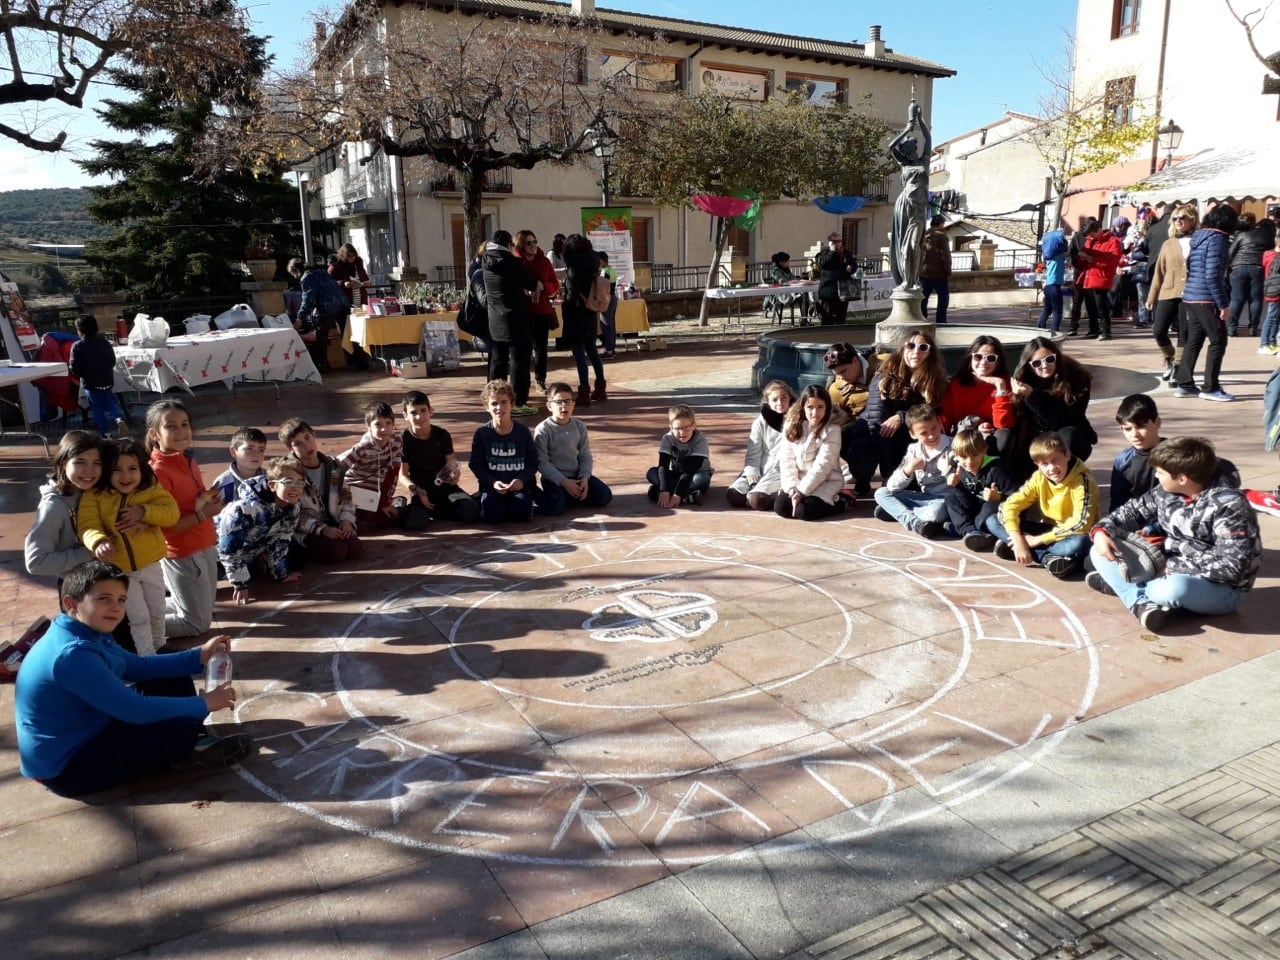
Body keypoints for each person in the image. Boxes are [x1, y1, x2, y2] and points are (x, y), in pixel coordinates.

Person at [15, 560, 250, 798]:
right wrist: (204, 703)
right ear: (71, 603)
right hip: (69, 766)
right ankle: (189, 748)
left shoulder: (85, 629)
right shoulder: (72, 654)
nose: (115, 608)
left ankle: (193, 739)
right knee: (179, 729)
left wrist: (199, 655)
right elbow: (136, 710)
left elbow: (137, 667)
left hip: (89, 727)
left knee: (173, 679)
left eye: (121, 599)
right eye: (104, 598)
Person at [1087, 437, 1262, 632]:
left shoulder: (1230, 506)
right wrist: (1101, 531)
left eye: (1160, 472)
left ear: (1182, 478)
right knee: (1099, 551)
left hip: (1220, 587)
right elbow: (1131, 512)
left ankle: (1128, 589)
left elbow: (1233, 566)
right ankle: (1141, 602)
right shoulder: (1165, 491)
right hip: (1166, 568)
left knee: (1173, 589)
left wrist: (1172, 567)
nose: (1156, 476)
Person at [78, 438, 179, 657]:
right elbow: (87, 525)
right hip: (121, 571)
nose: (125, 476)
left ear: (142, 468)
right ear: (107, 470)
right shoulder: (95, 496)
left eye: (132, 468)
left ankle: (160, 645)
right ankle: (147, 656)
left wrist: (145, 513)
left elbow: (172, 513)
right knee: (138, 616)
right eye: (117, 470)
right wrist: (98, 541)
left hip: (151, 564)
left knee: (158, 609)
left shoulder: (150, 489)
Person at [147, 400, 223, 639]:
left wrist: (207, 497)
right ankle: (127, 629)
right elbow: (164, 528)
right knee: (196, 624)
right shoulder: (158, 472)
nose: (181, 431)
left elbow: (189, 501)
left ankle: (139, 612)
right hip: (183, 552)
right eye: (171, 426)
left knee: (203, 609)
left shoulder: (186, 458)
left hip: (204, 542)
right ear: (154, 434)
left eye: (185, 424)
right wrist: (203, 514)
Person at [990, 431, 1098, 579]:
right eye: (1045, 464)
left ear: (1067, 455)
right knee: (993, 521)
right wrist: (1017, 539)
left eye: (1055, 460)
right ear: (1037, 465)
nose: (1051, 468)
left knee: (1079, 543)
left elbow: (1081, 524)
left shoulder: (1083, 481)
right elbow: (1010, 506)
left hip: (1072, 534)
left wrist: (1037, 540)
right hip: (1049, 529)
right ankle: (1048, 558)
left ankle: (1031, 551)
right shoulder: (1038, 477)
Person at [855, 327, 947, 490]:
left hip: (911, 428)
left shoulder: (935, 379)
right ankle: (873, 477)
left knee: (927, 431)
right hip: (882, 429)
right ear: (903, 349)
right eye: (910, 346)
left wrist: (901, 417)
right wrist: (890, 473)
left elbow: (930, 411)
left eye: (923, 347)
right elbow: (876, 417)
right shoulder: (884, 376)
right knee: (879, 433)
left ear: (930, 353)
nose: (916, 352)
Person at [216, 457, 306, 605]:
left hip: (249, 553)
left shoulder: (293, 507)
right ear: (272, 485)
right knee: (202, 587)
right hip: (215, 558)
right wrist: (240, 584)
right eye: (288, 482)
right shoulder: (245, 509)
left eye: (300, 483)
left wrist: (281, 575)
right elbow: (228, 549)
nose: (295, 488)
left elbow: (282, 539)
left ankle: (253, 569)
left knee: (298, 555)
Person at [1173, 203, 1238, 401]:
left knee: (1194, 340)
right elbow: (1212, 275)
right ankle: (1211, 387)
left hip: (1192, 296)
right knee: (1218, 341)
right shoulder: (1218, 239)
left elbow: (1193, 266)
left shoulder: (1199, 237)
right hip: (1206, 298)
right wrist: (1223, 304)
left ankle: (1184, 383)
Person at [280, 417, 363, 563]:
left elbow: (346, 497)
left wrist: (346, 520)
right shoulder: (289, 474)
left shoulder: (333, 466)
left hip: (333, 522)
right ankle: (302, 549)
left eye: (307, 437)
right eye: (298, 444)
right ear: (290, 448)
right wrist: (322, 529)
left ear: (314, 435)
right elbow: (291, 513)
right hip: (306, 530)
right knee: (337, 552)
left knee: (355, 548)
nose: (307, 446)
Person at [1009, 337, 1097, 472]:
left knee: (1068, 434)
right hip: (1037, 442)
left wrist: (1032, 397)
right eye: (1037, 363)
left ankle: (1064, 476)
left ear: (1057, 357)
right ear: (1029, 366)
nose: (1044, 365)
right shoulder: (1024, 381)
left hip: (1069, 439)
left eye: (1049, 359)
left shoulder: (1077, 378)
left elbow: (1068, 421)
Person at [398, 390, 480, 529]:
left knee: (471, 513)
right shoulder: (403, 440)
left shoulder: (442, 435)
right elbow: (403, 475)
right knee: (415, 523)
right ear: (405, 415)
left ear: (431, 411)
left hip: (445, 488)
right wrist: (416, 489)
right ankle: (401, 504)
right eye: (413, 412)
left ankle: (436, 510)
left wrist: (455, 474)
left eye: (423, 410)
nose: (419, 416)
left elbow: (452, 463)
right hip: (421, 490)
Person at [872, 404, 954, 539]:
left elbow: (966, 479)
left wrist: (948, 469)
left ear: (939, 424)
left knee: (936, 513)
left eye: (934, 428)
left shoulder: (953, 446)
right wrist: (909, 469)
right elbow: (892, 486)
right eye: (924, 433)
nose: (931, 436)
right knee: (881, 493)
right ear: (912, 434)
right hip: (925, 499)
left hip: (947, 501)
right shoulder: (914, 450)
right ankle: (916, 523)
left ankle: (899, 512)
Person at [534, 381, 613, 516]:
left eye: (567, 401)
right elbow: (542, 462)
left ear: (573, 404)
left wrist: (585, 477)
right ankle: (562, 496)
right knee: (556, 508)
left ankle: (570, 495)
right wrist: (563, 482)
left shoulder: (579, 426)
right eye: (559, 402)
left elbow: (585, 455)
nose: (564, 406)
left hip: (576, 476)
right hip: (554, 479)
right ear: (549, 406)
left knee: (604, 496)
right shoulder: (543, 430)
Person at [482, 230, 538, 417]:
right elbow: (531, 282)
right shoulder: (511, 261)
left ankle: (493, 400)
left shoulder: (485, 260)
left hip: (494, 318)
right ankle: (518, 403)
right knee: (519, 362)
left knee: (498, 360)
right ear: (508, 245)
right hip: (516, 318)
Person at [470, 379, 538, 523]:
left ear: (512, 404)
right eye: (494, 403)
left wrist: (521, 480)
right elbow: (475, 464)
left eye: (504, 402)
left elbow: (533, 462)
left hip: (518, 486)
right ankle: (483, 499)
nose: (499, 407)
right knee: (493, 516)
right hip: (492, 487)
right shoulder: (482, 434)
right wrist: (493, 482)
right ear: (486, 407)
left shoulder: (523, 432)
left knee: (522, 514)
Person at [774, 385, 845, 521]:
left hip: (826, 480)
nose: (815, 412)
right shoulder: (791, 425)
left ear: (827, 407)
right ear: (803, 407)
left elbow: (824, 465)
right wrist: (792, 488)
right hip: (799, 479)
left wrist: (801, 492)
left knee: (805, 512)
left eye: (820, 407)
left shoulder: (833, 429)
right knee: (781, 508)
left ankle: (842, 501)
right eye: (810, 407)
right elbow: (786, 460)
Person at [941, 334, 1017, 456]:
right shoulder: (956, 385)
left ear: (998, 362)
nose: (983, 362)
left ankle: (991, 467)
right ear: (970, 359)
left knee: (1004, 435)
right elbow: (945, 420)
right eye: (978, 357)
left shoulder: (1006, 384)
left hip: (988, 439)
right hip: (961, 437)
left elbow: (1003, 424)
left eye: (991, 358)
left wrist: (1000, 386)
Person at [946, 428, 1018, 552]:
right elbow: (967, 503)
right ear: (956, 456)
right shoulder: (961, 470)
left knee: (989, 506)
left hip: (995, 512)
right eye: (963, 457)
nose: (969, 461)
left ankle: (971, 530)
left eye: (974, 455)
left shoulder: (996, 469)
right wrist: (957, 485)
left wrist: (999, 497)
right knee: (950, 499)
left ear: (984, 451)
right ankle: (971, 532)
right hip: (976, 510)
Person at [1146, 204, 1196, 382]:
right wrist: (1152, 296)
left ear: (1192, 220)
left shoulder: (1198, 241)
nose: (1178, 221)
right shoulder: (1168, 244)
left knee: (1184, 332)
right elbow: (1159, 272)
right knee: (1159, 330)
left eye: (1182, 217)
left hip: (1190, 292)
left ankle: (1178, 367)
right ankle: (1169, 357)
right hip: (1168, 291)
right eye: (1175, 218)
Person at [727, 380, 793, 510]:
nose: (780, 403)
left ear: (790, 398)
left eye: (783, 398)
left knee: (757, 501)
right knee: (733, 496)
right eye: (774, 400)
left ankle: (778, 494)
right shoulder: (759, 422)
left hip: (782, 471)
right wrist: (752, 474)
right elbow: (753, 451)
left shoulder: (797, 420)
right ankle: (753, 490)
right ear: (767, 401)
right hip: (761, 467)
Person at [560, 233, 608, 407]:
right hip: (590, 312)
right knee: (592, 350)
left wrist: (566, 305)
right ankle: (600, 388)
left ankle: (584, 391)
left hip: (576, 314)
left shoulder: (573, 267)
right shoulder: (593, 263)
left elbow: (572, 294)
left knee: (579, 353)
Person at [338, 400, 403, 525]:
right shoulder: (363, 448)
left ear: (393, 424)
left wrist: (384, 503)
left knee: (390, 518)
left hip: (373, 494)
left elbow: (393, 473)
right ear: (368, 426)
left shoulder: (397, 442)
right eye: (378, 424)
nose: (384, 429)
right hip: (353, 491)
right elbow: (336, 466)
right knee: (356, 521)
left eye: (388, 423)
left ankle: (390, 502)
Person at [824, 342, 874, 494]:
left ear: (855, 360)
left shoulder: (881, 366)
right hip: (858, 429)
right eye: (836, 374)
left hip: (886, 423)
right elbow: (836, 416)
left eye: (843, 371)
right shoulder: (836, 388)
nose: (840, 377)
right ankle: (860, 474)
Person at [515, 229, 560, 394]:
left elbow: (555, 285)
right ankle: (523, 382)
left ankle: (540, 380)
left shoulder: (544, 261)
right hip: (523, 312)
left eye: (535, 242)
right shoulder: (516, 263)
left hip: (542, 311)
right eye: (529, 243)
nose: (533, 245)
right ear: (521, 245)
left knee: (541, 348)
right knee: (524, 349)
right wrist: (522, 290)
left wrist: (544, 287)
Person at [287, 257, 348, 373]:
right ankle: (356, 361)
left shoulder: (307, 278)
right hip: (342, 304)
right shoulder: (321, 272)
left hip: (328, 307)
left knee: (321, 336)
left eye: (293, 274)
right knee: (347, 334)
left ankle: (323, 365)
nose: (294, 277)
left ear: (296, 271)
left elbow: (308, 300)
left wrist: (300, 318)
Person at [68, 314, 126, 436]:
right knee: (110, 402)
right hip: (107, 380)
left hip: (91, 383)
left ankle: (105, 433)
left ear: (79, 330)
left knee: (97, 408)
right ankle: (118, 418)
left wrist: (82, 374)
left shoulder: (77, 346)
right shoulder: (104, 343)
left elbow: (74, 366)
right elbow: (112, 361)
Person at [647, 403, 713, 507]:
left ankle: (658, 492)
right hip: (676, 474)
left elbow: (690, 471)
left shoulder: (700, 441)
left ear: (693, 426)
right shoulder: (667, 439)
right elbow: (663, 465)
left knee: (701, 479)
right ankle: (688, 497)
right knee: (652, 473)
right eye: (677, 428)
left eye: (686, 427)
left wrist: (677, 494)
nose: (682, 432)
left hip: (694, 475)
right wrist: (664, 490)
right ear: (671, 427)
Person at [328, 243, 372, 370]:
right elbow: (329, 283)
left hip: (360, 302)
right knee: (348, 333)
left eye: (354, 256)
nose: (352, 258)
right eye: (349, 256)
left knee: (361, 331)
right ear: (343, 255)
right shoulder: (336, 266)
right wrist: (343, 283)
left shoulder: (358, 264)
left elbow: (364, 277)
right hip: (345, 304)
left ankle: (363, 360)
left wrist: (367, 282)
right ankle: (352, 361)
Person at [1227, 211, 1270, 337]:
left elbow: (1231, 252)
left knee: (1236, 298)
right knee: (1255, 299)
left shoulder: (1241, 235)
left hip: (1238, 267)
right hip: (1257, 267)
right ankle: (1253, 328)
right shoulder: (1265, 236)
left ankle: (1232, 328)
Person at [1081, 219, 1123, 340]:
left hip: (1101, 277)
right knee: (1090, 306)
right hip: (1089, 276)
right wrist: (1081, 257)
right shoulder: (1090, 241)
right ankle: (1093, 329)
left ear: (1098, 230)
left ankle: (1106, 330)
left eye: (1092, 234)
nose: (1090, 236)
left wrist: (1091, 259)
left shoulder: (1113, 241)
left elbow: (1112, 261)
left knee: (1101, 306)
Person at [210, 427, 268, 506]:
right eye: (249, 448)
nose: (256, 454)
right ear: (233, 452)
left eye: (261, 450)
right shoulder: (224, 483)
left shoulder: (271, 479)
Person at [813, 233, 855, 326]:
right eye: (834, 241)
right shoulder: (824, 253)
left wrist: (851, 267)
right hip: (829, 291)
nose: (837, 243)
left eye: (839, 241)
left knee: (841, 318)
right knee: (827, 318)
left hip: (844, 289)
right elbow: (822, 264)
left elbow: (854, 264)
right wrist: (832, 252)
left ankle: (840, 334)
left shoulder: (846, 253)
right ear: (829, 242)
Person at [1036, 224, 1071, 333]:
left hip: (1048, 286)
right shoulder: (1059, 256)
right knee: (1057, 311)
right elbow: (1066, 250)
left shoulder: (1049, 257)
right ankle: (1055, 331)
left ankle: (1040, 327)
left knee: (1047, 309)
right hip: (1055, 287)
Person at [919, 214, 952, 323]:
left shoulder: (924, 235)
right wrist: (948, 270)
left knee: (923, 298)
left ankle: (923, 319)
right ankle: (941, 321)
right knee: (943, 297)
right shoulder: (941, 236)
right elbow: (945, 255)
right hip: (939, 273)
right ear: (941, 223)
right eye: (943, 223)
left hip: (923, 272)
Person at [1066, 218, 1094, 336]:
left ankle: (1093, 328)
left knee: (1091, 302)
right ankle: (1073, 326)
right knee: (1077, 302)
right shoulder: (1077, 237)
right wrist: (1074, 260)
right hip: (1079, 272)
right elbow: (1070, 253)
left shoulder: (1097, 238)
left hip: (1092, 272)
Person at [597, 251, 619, 358]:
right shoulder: (611, 270)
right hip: (613, 298)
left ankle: (609, 350)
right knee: (611, 325)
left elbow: (603, 288)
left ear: (601, 261)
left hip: (607, 299)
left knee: (606, 325)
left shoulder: (605, 272)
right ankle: (612, 348)